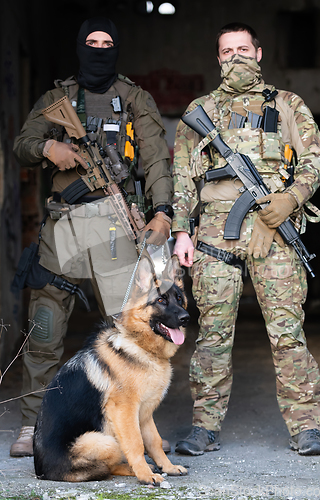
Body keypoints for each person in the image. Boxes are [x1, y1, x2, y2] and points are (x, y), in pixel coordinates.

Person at [10, 17, 174, 457]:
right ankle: (32, 425)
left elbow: (157, 159)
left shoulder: (135, 98)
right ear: (79, 47)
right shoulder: (56, 97)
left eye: (107, 44)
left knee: (128, 334)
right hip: (62, 227)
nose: (99, 50)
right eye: (91, 43)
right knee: (45, 327)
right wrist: (49, 149)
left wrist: (162, 212)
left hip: (116, 228)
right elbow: (22, 143)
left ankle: (129, 425)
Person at [172, 22, 320, 456]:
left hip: (274, 226)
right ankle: (204, 426)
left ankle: (305, 427)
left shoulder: (288, 105)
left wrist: (290, 198)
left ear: (259, 54)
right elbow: (182, 175)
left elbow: (316, 159)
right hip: (215, 235)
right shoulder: (199, 110)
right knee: (213, 335)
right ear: (217, 57)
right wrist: (182, 229)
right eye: (227, 51)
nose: (236, 57)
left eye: (244, 49)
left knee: (287, 332)